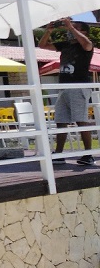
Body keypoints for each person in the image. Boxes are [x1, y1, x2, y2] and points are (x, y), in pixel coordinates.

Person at [39, 18, 95, 165]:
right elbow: (42, 45)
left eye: (75, 27)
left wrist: (70, 27)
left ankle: (88, 155)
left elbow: (87, 44)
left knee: (80, 120)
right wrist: (48, 31)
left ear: (84, 32)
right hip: (63, 87)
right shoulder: (66, 45)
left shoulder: (86, 45)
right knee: (61, 121)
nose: (69, 29)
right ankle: (59, 154)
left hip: (78, 87)